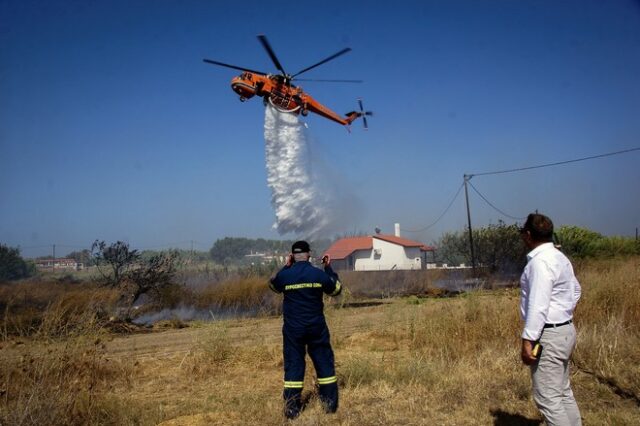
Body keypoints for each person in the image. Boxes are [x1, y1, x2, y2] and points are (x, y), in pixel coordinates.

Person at [519, 213, 582, 426]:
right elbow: (576, 291)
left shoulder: (539, 263)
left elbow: (538, 306)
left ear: (528, 235)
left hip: (548, 335)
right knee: (562, 392)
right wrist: (563, 312)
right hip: (565, 330)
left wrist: (528, 339)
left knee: (548, 398)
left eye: (523, 233)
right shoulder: (559, 257)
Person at [269, 240, 343, 420]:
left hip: (293, 330)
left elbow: (273, 285)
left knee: (294, 365)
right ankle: (329, 406)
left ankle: (292, 409)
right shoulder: (318, 274)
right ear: (309, 254)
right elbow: (336, 290)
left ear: (292, 256)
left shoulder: (286, 276)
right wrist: (328, 268)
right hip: (316, 328)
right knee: (324, 362)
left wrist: (286, 267)